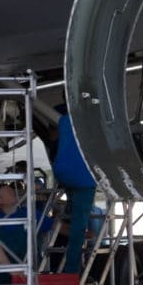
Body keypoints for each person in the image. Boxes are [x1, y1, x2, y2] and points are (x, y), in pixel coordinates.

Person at [51, 106, 97, 274]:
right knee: (79, 227)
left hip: (63, 171)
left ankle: (70, 206)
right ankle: (72, 270)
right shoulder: (94, 120)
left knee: (74, 208)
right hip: (84, 175)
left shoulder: (63, 119)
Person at [0, 182, 53, 285]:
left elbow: (54, 226)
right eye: (7, 191)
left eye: (11, 189)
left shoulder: (29, 213)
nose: (12, 191)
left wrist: (78, 232)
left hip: (27, 270)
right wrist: (10, 268)